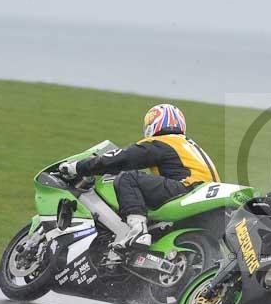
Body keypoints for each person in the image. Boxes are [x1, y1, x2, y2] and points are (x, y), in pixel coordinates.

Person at [59, 104, 220, 250]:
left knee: (128, 178)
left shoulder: (162, 141)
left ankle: (138, 231)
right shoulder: (188, 144)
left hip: (186, 188)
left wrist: (78, 167)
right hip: (206, 197)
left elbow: (121, 158)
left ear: (155, 123)